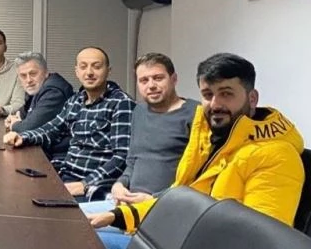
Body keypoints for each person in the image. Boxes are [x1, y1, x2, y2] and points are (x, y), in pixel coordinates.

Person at [86, 53, 305, 249]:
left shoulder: (276, 155)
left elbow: (256, 241)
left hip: (187, 239)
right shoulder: (209, 141)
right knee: (83, 231)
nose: (215, 104)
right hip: (173, 231)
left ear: (252, 98)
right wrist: (117, 216)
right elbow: (181, 200)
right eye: (208, 94)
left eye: (226, 94)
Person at [79, 53, 199, 239]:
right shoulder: (139, 110)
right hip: (124, 204)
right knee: (64, 219)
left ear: (174, 79)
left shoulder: (196, 114)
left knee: (82, 239)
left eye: (158, 78)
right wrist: (119, 184)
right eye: (144, 80)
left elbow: (198, 178)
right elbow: (132, 160)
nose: (151, 85)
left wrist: (154, 199)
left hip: (161, 211)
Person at [3, 47, 135, 200]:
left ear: (108, 70)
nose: (89, 72)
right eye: (83, 67)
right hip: (66, 175)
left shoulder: (121, 103)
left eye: (96, 66)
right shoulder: (76, 100)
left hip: (95, 186)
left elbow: (122, 156)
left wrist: (84, 184)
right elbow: (52, 128)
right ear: (76, 71)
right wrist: (23, 137)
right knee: (15, 191)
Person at [4, 51, 73, 133]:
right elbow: (23, 113)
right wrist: (13, 118)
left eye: (33, 73)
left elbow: (28, 128)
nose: (28, 80)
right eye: (23, 76)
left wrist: (14, 124)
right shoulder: (37, 87)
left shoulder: (54, 92)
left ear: (46, 72)